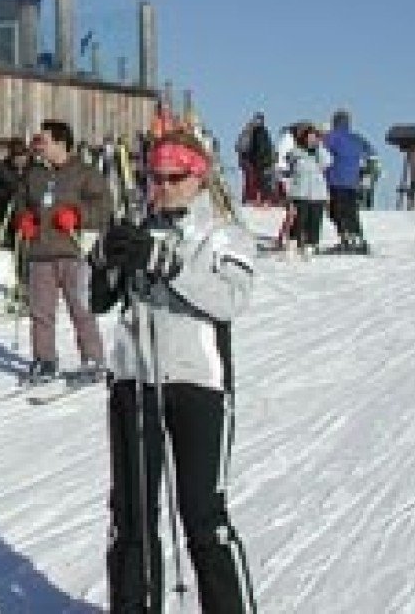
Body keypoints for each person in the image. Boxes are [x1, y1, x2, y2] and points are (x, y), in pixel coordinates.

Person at [90, 128, 257, 614]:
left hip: (197, 385)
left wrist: (166, 261)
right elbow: (99, 300)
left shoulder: (224, 235)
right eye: (153, 178)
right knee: (131, 519)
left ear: (198, 178)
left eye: (172, 178)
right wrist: (106, 261)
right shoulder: (142, 228)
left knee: (204, 519)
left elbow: (229, 299)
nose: (160, 187)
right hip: (135, 382)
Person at [13, 119, 111, 383]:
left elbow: (103, 207)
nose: (39, 145)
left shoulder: (84, 173)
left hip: (73, 251)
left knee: (80, 308)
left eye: (44, 141)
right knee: (40, 311)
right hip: (40, 252)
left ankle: (93, 359)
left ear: (60, 143)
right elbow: (20, 203)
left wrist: (78, 216)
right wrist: (24, 219)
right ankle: (45, 360)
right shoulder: (33, 174)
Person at [323, 110, 374, 253]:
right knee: (351, 211)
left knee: (336, 211)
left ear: (335, 121)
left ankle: (346, 238)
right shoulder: (356, 138)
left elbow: (318, 150)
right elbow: (370, 152)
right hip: (353, 181)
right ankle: (358, 239)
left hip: (335, 179)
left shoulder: (332, 137)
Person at [284, 123, 331, 257]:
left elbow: (327, 163)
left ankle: (311, 245)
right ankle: (294, 244)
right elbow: (290, 165)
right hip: (300, 193)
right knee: (299, 221)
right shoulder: (296, 153)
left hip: (317, 194)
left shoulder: (320, 153)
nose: (311, 140)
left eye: (314, 137)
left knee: (315, 221)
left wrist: (319, 147)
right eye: (308, 137)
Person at [233, 113, 275, 205]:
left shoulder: (257, 131)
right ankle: (253, 199)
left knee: (255, 180)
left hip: (257, 160)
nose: (259, 122)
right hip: (252, 160)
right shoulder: (251, 130)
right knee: (254, 180)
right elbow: (241, 146)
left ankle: (255, 199)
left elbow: (266, 147)